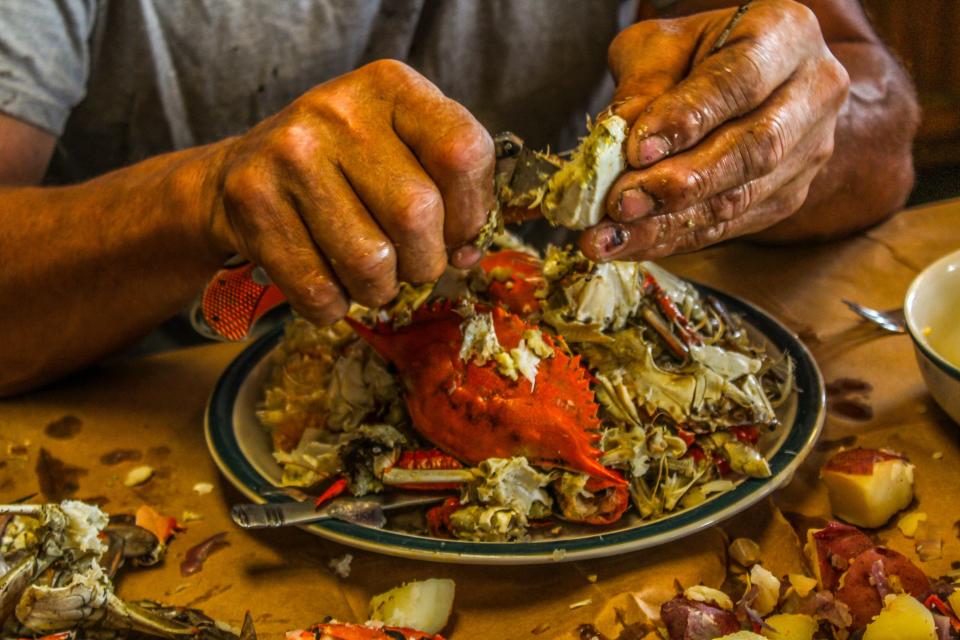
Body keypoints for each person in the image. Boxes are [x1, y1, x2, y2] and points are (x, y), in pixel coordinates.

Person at [0, 0, 918, 396]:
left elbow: (876, 118)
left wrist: (773, 134)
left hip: (572, 364)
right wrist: (204, 199)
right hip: (146, 406)